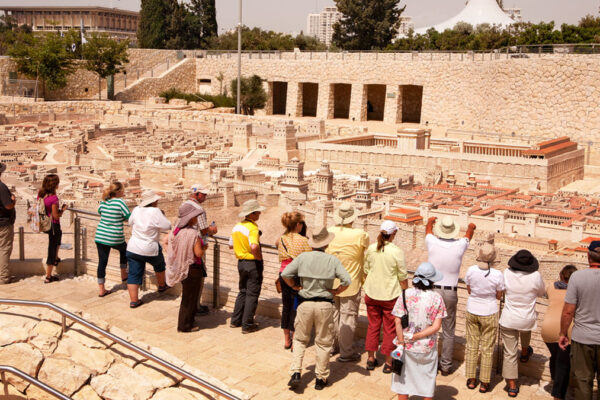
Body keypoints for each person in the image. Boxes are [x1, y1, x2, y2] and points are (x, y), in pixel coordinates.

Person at [282, 226, 351, 391]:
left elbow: (285, 274)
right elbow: (346, 280)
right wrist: (336, 291)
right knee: (324, 342)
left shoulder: (303, 257)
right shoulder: (332, 260)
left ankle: (296, 373)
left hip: (305, 303)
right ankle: (321, 378)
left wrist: (295, 287)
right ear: (326, 244)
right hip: (325, 305)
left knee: (299, 339)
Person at [425, 215, 475, 375]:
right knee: (448, 330)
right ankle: (446, 366)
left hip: (432, 290)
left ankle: (427, 362)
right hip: (450, 292)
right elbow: (468, 235)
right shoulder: (460, 245)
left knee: (428, 327)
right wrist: (471, 226)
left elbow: (427, 231)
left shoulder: (431, 242)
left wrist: (430, 221)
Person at [391, 262, 447, 400]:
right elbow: (436, 327)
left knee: (402, 378)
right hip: (426, 347)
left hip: (405, 346)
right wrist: (416, 336)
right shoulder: (437, 298)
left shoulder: (405, 294)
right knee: (427, 380)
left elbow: (397, 321)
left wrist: (402, 341)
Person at [499, 249, 546, 398]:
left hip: (508, 317)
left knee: (510, 353)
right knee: (526, 330)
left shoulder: (506, 273)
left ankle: (512, 386)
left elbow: (502, 290)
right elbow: (541, 292)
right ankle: (525, 353)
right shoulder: (535, 276)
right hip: (526, 317)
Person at [326, 202, 369, 362]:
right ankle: (346, 352)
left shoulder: (329, 231)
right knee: (348, 318)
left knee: (332, 316)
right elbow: (365, 253)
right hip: (350, 283)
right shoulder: (360, 234)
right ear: (353, 217)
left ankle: (330, 347)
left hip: (331, 282)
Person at [363, 220, 408, 373]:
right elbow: (402, 275)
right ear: (393, 234)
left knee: (373, 325)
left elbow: (366, 269)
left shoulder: (371, 249)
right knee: (390, 329)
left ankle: (370, 359)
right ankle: (388, 363)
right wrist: (405, 292)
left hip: (372, 293)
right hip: (390, 296)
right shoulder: (396, 251)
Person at [559, 242, 600, 400]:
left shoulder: (577, 277)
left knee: (583, 382)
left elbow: (568, 311)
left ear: (588, 256)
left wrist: (563, 333)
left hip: (582, 339)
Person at [464, 242, 505, 393]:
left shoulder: (471, 270)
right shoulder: (497, 274)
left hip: (472, 309)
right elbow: (499, 295)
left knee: (472, 346)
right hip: (489, 310)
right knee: (487, 348)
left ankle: (471, 379)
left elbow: (469, 290)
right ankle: (484, 382)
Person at [126, 190, 172, 308]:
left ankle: (134, 301)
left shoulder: (136, 209)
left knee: (133, 274)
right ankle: (162, 285)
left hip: (133, 247)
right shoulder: (155, 211)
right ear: (153, 202)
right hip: (150, 247)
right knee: (160, 265)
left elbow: (130, 222)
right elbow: (167, 226)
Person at [165, 203, 207, 332]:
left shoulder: (176, 231)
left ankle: (189, 321)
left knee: (188, 296)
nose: (196, 218)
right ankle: (184, 325)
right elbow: (198, 253)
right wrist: (204, 247)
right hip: (192, 269)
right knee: (190, 297)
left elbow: (165, 242)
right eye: (194, 216)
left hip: (181, 267)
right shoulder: (192, 233)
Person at [277, 211, 312, 349]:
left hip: (283, 273)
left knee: (286, 307)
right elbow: (309, 258)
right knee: (296, 307)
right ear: (298, 224)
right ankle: (295, 339)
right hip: (296, 275)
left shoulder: (281, 238)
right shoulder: (303, 240)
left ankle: (286, 340)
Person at [230, 199, 265, 333]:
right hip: (252, 263)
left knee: (242, 291)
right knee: (252, 294)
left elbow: (230, 245)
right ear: (252, 214)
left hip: (241, 263)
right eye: (258, 212)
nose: (259, 214)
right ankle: (247, 324)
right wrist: (258, 257)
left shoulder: (237, 227)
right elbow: (254, 246)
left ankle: (235, 320)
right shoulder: (253, 228)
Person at [542, 265, 577, 400]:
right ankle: (558, 395)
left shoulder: (551, 287)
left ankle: (555, 381)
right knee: (564, 362)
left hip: (547, 328)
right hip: (566, 329)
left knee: (555, 356)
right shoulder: (576, 291)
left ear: (561, 275)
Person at [184, 184, 218, 316]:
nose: (205, 196)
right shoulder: (199, 209)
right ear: (196, 194)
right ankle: (195, 306)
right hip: (198, 247)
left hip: (185, 244)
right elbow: (203, 230)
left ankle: (190, 304)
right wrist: (212, 230)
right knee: (198, 276)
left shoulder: (184, 205)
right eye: (203, 194)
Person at [95, 182, 130, 297]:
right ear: (119, 191)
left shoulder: (104, 201)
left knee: (102, 262)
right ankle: (124, 274)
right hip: (114, 236)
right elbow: (128, 216)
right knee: (124, 250)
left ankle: (101, 289)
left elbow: (99, 211)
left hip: (100, 235)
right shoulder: (120, 202)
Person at [38, 174, 67, 284]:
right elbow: (56, 215)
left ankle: (56, 258)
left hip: (45, 223)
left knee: (57, 240)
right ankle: (48, 276)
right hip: (53, 225)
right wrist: (63, 210)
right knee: (52, 247)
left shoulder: (41, 194)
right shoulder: (53, 198)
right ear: (55, 185)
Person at [0, 162, 16, 285]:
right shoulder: (1, 187)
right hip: (3, 224)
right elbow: (8, 205)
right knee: (4, 249)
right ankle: (3, 277)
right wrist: (13, 201)